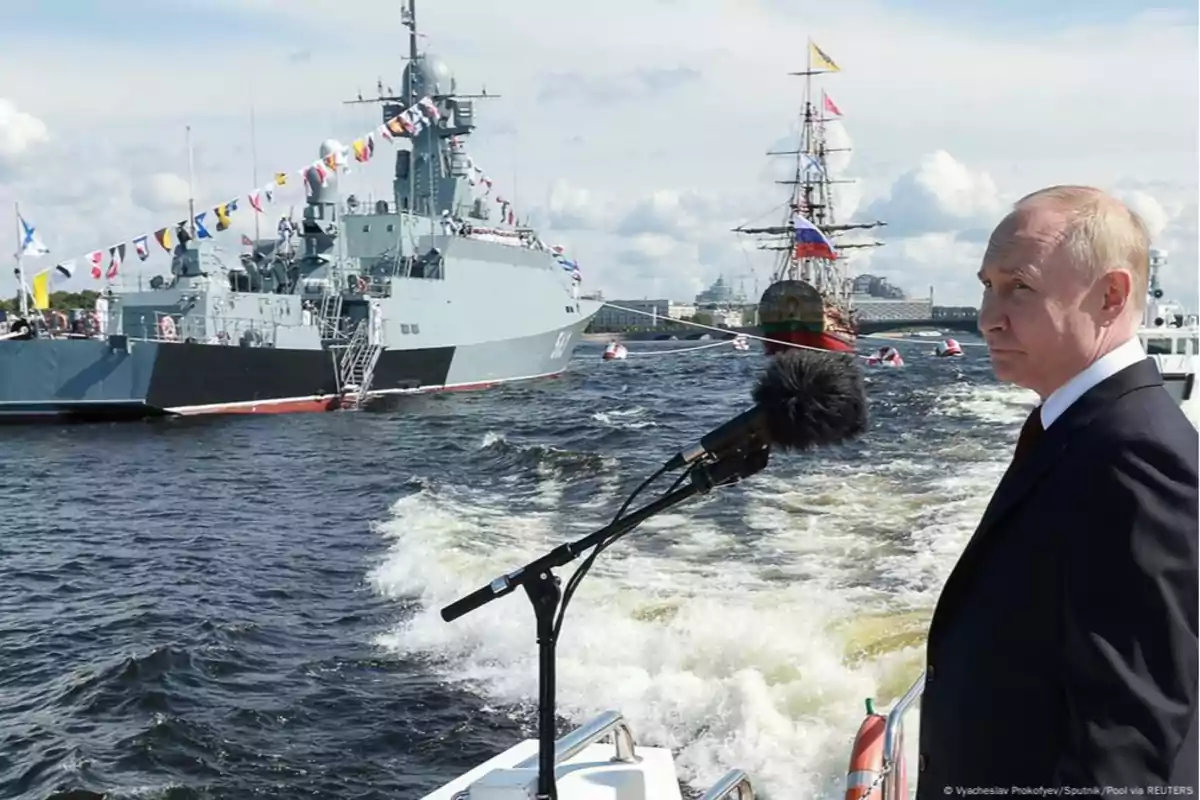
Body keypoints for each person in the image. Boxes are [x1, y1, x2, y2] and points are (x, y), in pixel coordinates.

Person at [916, 185, 1198, 794]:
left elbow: (1130, 734)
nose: (987, 314)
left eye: (1019, 286)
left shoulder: (1134, 456)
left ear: (1111, 295)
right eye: (987, 284)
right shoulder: (1077, 427)